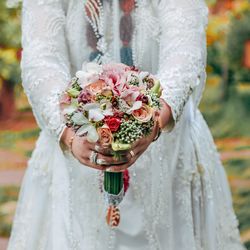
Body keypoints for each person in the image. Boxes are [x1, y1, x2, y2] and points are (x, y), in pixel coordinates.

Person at [8, 0, 246, 249]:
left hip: (168, 154)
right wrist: (68, 133)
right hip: (75, 146)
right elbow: (41, 59)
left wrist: (152, 121)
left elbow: (183, 53)